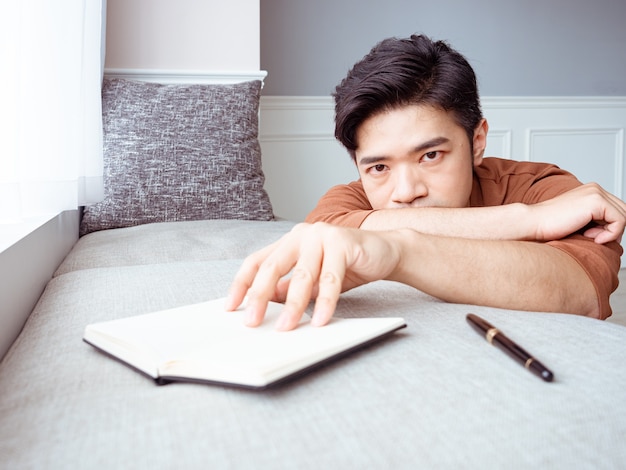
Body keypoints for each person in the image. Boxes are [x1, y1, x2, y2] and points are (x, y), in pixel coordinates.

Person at [226, 34, 626, 331]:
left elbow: (583, 293)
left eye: (430, 155)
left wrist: (394, 248)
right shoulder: (350, 198)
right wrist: (530, 222)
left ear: (477, 141)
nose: (405, 192)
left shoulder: (543, 186)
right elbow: (329, 230)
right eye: (378, 167)